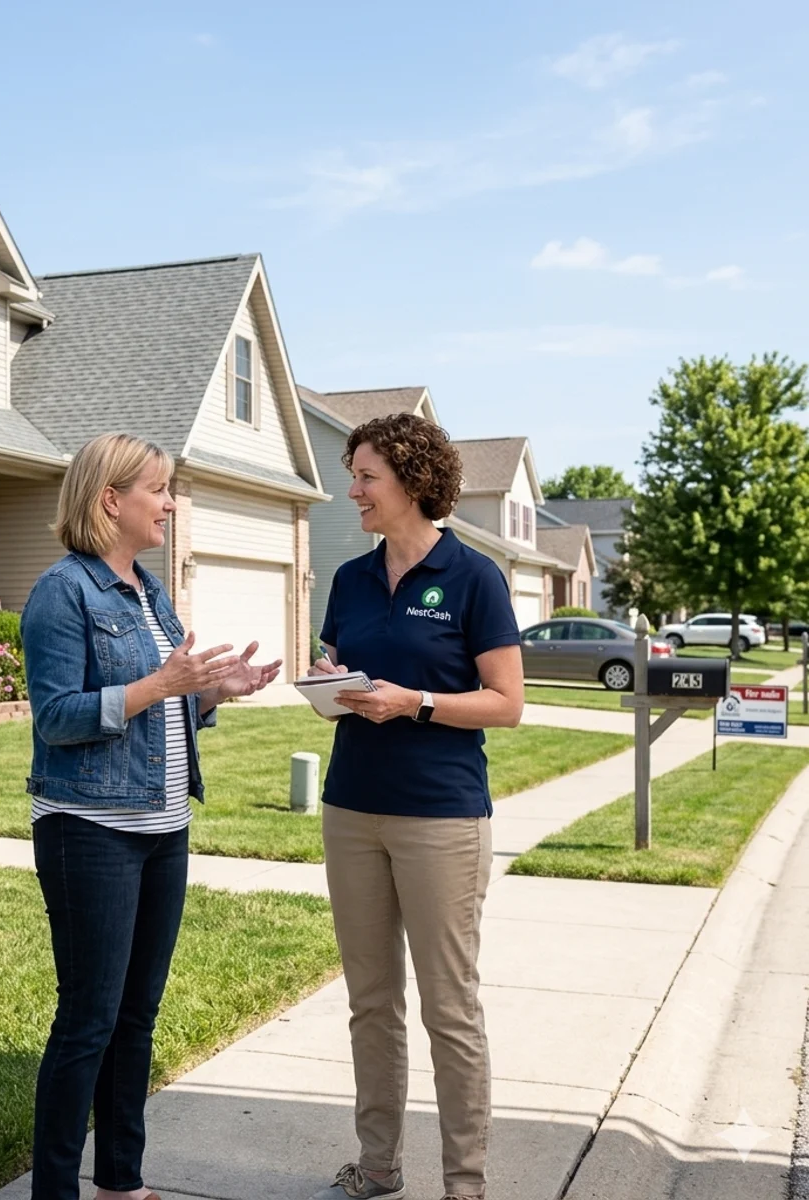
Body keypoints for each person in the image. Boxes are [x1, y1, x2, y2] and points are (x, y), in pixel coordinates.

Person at [21, 432, 282, 1200]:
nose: (169, 503)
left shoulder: (147, 588)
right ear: (111, 500)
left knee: (137, 1016)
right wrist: (164, 681)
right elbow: (57, 717)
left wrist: (210, 692)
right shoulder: (63, 591)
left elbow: (161, 706)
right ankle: (56, 1191)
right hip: (89, 830)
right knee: (88, 1022)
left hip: (164, 828)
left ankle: (121, 1183)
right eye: (158, 490)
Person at [308, 413, 524, 1200]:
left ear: (411, 482)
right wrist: (330, 688)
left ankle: (464, 1186)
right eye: (354, 474)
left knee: (449, 1008)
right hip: (352, 808)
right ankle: (377, 1166)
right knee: (371, 1002)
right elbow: (348, 680)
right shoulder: (350, 580)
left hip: (441, 817)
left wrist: (418, 702)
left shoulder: (474, 578)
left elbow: (506, 704)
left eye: (366, 476)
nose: (353, 489)